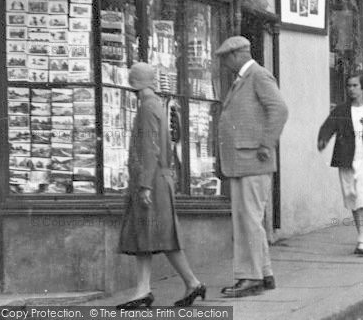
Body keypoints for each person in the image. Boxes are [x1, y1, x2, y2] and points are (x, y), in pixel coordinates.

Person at [117, 62, 205, 308]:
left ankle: (190, 282)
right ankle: (145, 288)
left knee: (159, 235)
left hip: (152, 181)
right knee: (147, 235)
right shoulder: (156, 105)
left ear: (134, 85)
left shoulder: (147, 107)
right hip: (157, 178)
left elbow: (149, 148)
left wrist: (144, 185)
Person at [216, 36, 288, 297]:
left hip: (252, 160)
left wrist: (266, 144)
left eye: (225, 58)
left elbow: (279, 109)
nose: (224, 63)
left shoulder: (257, 75)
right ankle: (264, 273)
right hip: (243, 160)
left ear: (237, 55)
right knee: (250, 220)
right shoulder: (246, 78)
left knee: (248, 220)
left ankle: (250, 277)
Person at [317, 70, 363, 256]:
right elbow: (327, 127)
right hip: (346, 159)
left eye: (355, 85)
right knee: (353, 199)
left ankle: (362, 240)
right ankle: (362, 237)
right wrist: (323, 140)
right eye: (349, 86)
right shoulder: (341, 110)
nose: (351, 89)